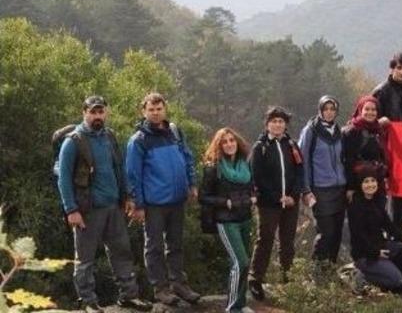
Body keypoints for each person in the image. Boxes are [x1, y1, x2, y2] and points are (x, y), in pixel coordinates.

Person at [58, 96, 151, 313]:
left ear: (106, 113)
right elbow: (63, 179)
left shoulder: (109, 136)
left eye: (101, 112)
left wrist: (127, 196)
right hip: (87, 210)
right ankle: (88, 302)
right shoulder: (73, 141)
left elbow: (119, 168)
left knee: (122, 252)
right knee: (85, 259)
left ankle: (129, 296)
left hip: (114, 207)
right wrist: (71, 210)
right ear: (84, 113)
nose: (97, 116)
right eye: (93, 112)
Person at [126, 92, 200, 306]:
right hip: (154, 203)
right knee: (155, 247)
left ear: (165, 109)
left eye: (159, 109)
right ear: (144, 112)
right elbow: (133, 175)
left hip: (177, 199)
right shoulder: (138, 140)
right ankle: (161, 289)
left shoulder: (174, 131)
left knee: (176, 244)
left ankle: (179, 283)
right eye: (151, 110)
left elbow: (187, 157)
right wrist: (138, 204)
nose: (156, 113)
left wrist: (192, 183)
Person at [248, 107, 309, 300]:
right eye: (273, 121)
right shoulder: (260, 147)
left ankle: (287, 278)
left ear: (286, 124)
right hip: (268, 203)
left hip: (291, 201)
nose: (277, 125)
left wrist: (293, 194)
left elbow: (300, 171)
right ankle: (255, 279)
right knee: (265, 239)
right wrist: (276, 197)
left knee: (287, 241)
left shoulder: (292, 145)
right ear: (267, 124)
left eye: (281, 121)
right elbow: (257, 176)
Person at [199, 128, 256, 313]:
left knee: (243, 262)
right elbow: (203, 197)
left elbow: (252, 188)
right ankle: (232, 308)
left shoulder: (245, 164)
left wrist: (254, 196)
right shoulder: (213, 168)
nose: (229, 144)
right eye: (225, 142)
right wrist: (225, 202)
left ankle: (241, 303)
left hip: (245, 218)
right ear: (219, 145)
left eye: (232, 140)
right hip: (226, 221)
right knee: (241, 262)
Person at [298, 95, 348, 264]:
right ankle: (317, 271)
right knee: (325, 233)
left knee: (337, 233)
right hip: (320, 189)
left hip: (339, 188)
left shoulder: (338, 131)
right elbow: (302, 162)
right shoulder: (310, 131)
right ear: (320, 110)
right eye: (325, 109)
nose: (329, 112)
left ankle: (330, 269)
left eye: (332, 109)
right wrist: (306, 190)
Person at [347, 164, 402, 292]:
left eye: (373, 180)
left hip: (381, 246)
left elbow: (388, 225)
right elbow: (358, 236)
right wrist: (376, 252)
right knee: (397, 280)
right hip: (365, 255)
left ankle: (385, 270)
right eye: (366, 181)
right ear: (360, 184)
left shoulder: (376, 201)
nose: (370, 185)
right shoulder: (356, 205)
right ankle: (358, 274)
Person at [372, 52, 402, 232]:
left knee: (401, 190)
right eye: (399, 68)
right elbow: (367, 117)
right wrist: (379, 123)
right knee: (381, 191)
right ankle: (383, 231)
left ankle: (398, 230)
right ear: (392, 69)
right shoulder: (381, 91)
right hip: (384, 147)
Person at [343, 96, 389, 208]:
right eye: (367, 109)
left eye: (373, 110)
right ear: (360, 110)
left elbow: (382, 155)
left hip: (377, 183)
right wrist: (350, 187)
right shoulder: (352, 131)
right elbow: (348, 160)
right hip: (358, 185)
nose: (370, 112)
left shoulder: (379, 130)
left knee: (378, 218)